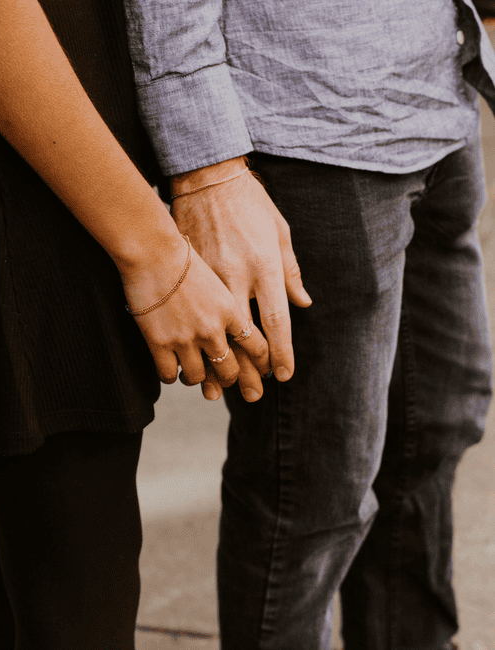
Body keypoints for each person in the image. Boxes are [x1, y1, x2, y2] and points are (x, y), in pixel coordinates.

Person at [0, 0, 280, 647]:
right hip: (28, 176)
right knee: (74, 610)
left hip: (36, 146)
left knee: (41, 573)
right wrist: (155, 254)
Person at [123, 0, 495, 647]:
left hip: (440, 90)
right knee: (315, 493)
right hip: (306, 127)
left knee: (434, 429)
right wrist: (206, 168)